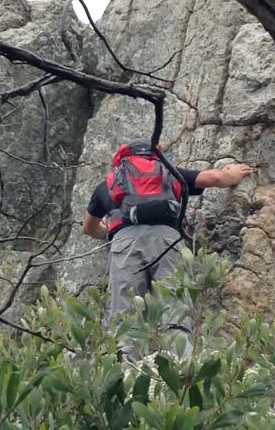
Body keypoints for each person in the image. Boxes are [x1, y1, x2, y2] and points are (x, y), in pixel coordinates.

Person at [82, 140, 252, 357]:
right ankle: (183, 365)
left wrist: (111, 233)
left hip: (124, 244)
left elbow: (88, 228)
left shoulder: (110, 183)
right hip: (167, 239)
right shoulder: (168, 174)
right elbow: (215, 178)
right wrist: (232, 173)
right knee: (175, 309)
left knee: (125, 318)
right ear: (156, 156)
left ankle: (128, 374)